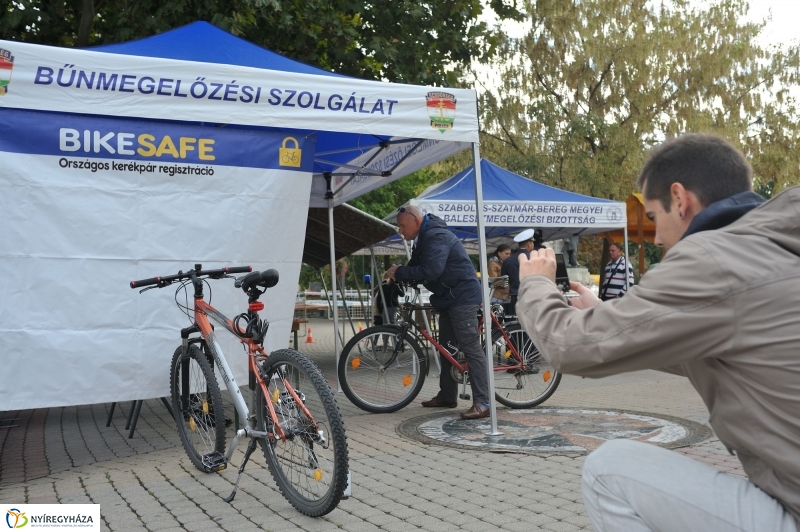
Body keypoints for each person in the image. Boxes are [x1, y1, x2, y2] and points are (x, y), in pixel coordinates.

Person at [515, 132, 800, 531]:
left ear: (680, 199)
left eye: (653, 218)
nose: (658, 238)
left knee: (608, 470)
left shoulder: (713, 259)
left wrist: (535, 284)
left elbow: (569, 347)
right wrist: (606, 314)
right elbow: (722, 354)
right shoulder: (775, 248)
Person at [386, 205, 490, 420]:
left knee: (471, 348)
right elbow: (415, 267)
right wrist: (399, 273)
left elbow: (432, 270)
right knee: (446, 349)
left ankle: (483, 402)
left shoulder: (435, 235)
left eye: (403, 226)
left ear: (416, 220)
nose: (401, 231)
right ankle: (447, 395)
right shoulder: (423, 238)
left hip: (462, 297)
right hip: (448, 298)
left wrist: (402, 272)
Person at [501, 228, 545, 315]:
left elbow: (504, 282)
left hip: (514, 299)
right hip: (532, 298)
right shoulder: (535, 258)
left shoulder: (508, 261)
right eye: (532, 242)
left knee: (515, 326)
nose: (533, 244)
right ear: (529, 244)